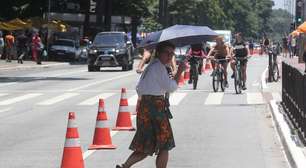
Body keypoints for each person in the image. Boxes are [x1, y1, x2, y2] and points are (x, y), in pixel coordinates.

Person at [116, 41, 186, 168]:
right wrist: (180, 71)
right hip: (156, 108)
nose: (170, 56)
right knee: (165, 145)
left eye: (172, 53)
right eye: (167, 53)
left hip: (144, 107)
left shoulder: (152, 66)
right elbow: (171, 87)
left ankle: (125, 166)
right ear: (159, 53)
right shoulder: (159, 67)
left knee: (145, 146)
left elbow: (139, 88)